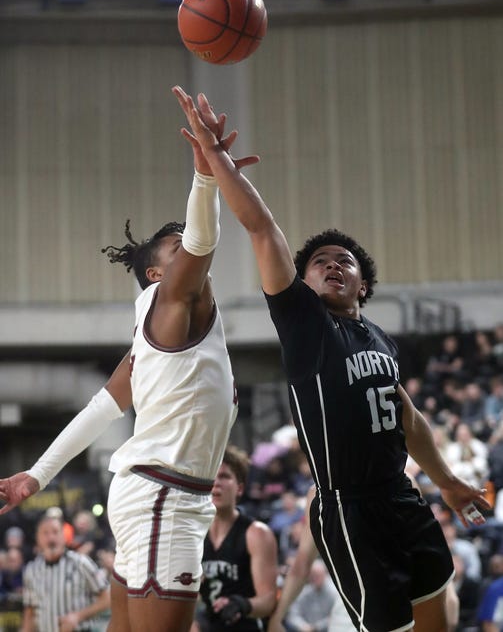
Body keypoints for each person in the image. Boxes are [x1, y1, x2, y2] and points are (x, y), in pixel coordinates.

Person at [172, 86, 492, 632]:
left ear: (364, 283)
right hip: (348, 509)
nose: (332, 267)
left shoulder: (380, 341)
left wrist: (447, 481)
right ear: (304, 280)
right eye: (319, 263)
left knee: (439, 612)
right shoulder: (305, 324)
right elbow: (261, 228)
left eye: (344, 262)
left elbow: (407, 417)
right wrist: (217, 163)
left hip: (403, 496)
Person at [0, 112, 258, 632]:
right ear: (159, 275)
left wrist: (37, 475)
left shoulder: (152, 340)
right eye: (175, 245)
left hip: (154, 493)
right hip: (165, 495)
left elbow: (101, 407)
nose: (188, 245)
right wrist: (206, 173)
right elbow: (202, 242)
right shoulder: (168, 306)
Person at [192, 445, 278, 631]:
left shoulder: (257, 534)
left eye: (224, 476)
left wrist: (242, 604)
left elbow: (268, 600)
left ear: (239, 488)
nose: (216, 483)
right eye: (211, 476)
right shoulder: (194, 535)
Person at [268, 486, 353, 632]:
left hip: (392, 603)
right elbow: (302, 563)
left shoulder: (399, 473)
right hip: (349, 607)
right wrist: (277, 618)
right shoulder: (318, 491)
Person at [21, 513, 110, 632]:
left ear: (64, 535)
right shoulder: (31, 570)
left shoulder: (81, 563)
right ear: (38, 538)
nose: (51, 538)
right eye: (45, 533)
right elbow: (30, 613)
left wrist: (78, 616)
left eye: (55, 532)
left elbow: (107, 599)